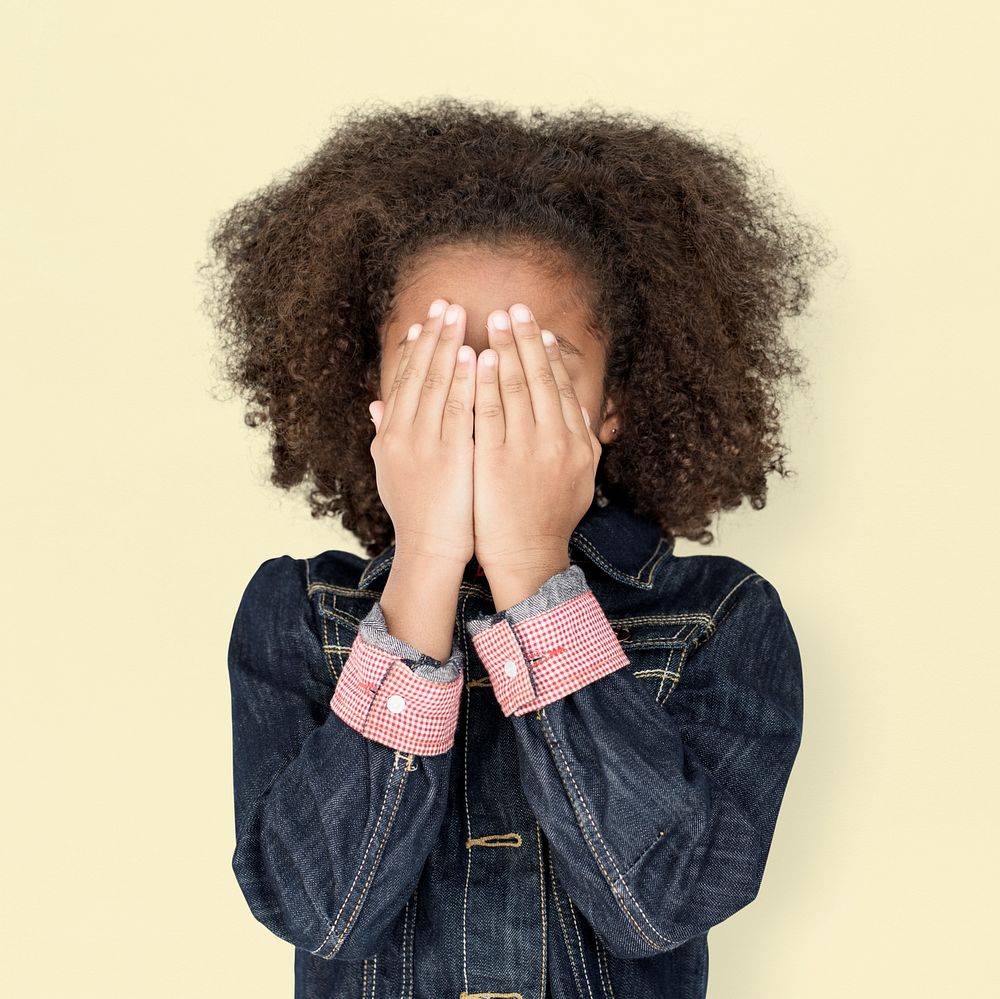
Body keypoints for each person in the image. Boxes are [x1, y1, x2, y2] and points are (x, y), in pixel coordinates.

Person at [205, 97, 832, 998]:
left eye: (531, 367)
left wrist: (532, 558)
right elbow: (317, 909)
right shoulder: (300, 612)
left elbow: (662, 899)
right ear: (372, 390)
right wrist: (424, 555)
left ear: (612, 404)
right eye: (437, 362)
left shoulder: (717, 617)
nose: (480, 400)